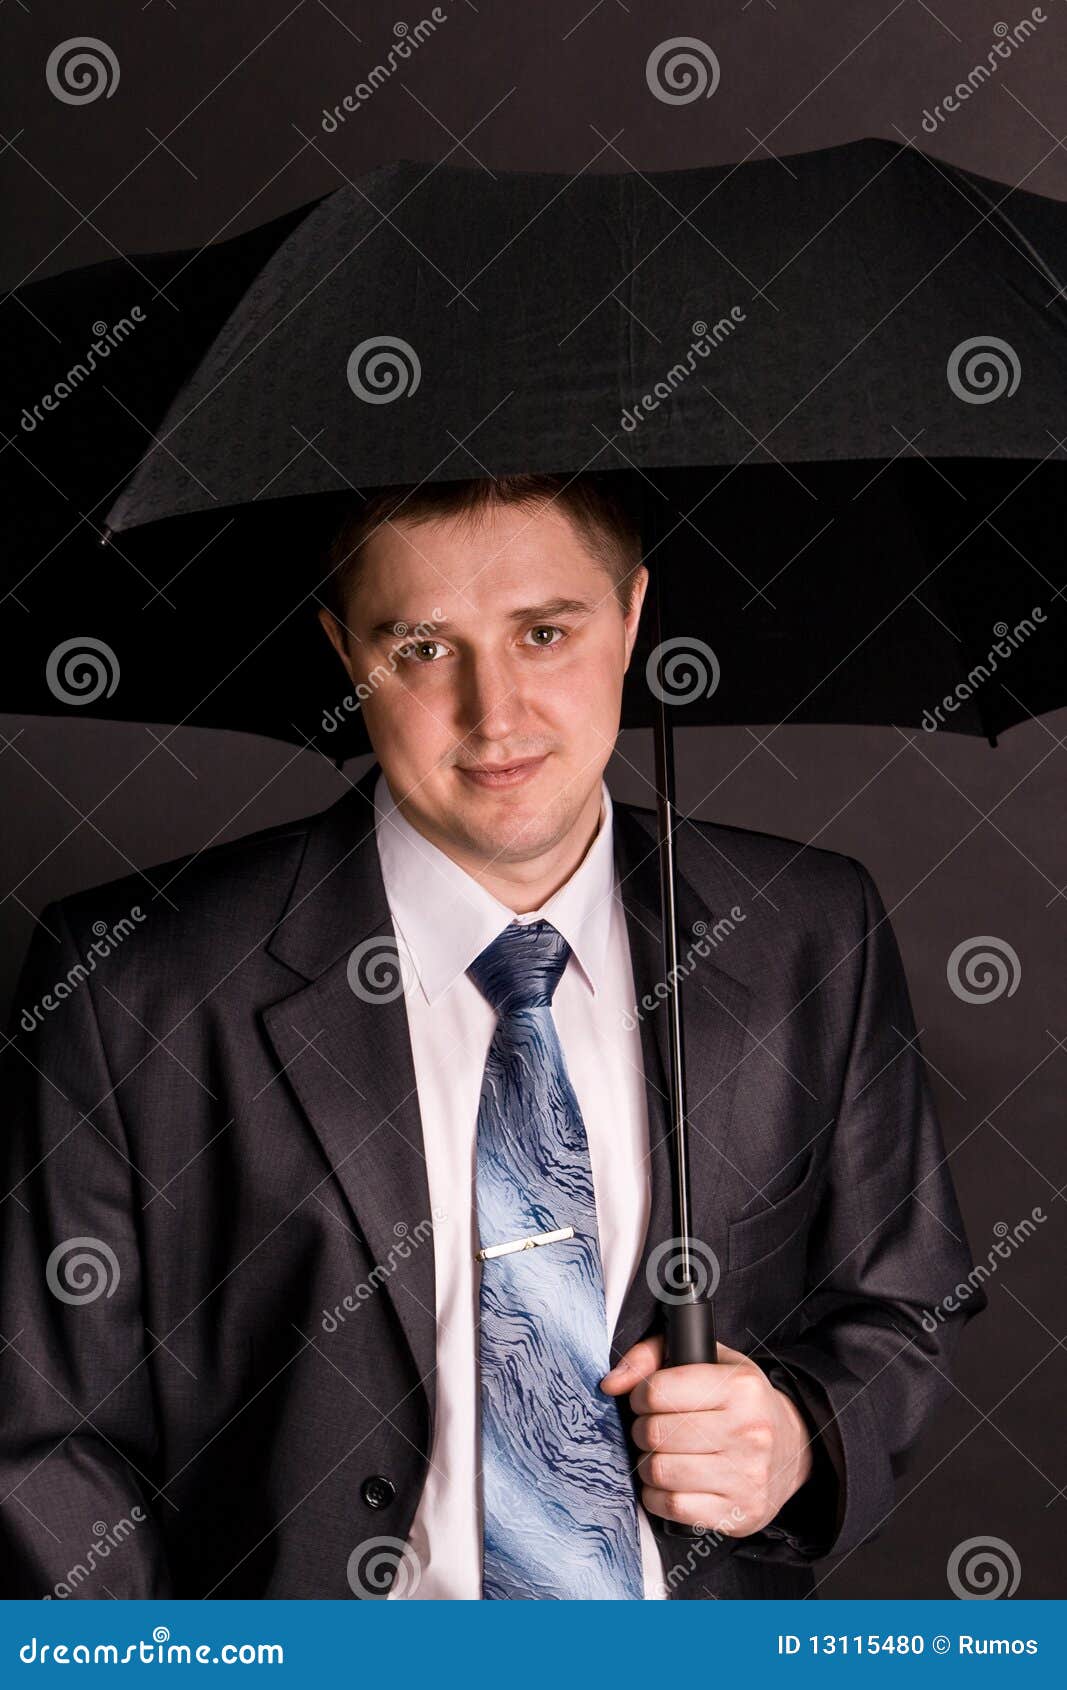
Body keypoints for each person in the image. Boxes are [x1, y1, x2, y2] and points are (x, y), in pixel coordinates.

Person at [0, 473, 983, 1600]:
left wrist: (798, 1438)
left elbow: (902, 1295)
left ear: (630, 621)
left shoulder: (808, 931)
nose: (495, 712)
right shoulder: (131, 978)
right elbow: (47, 1437)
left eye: (545, 632)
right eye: (421, 647)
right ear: (342, 650)